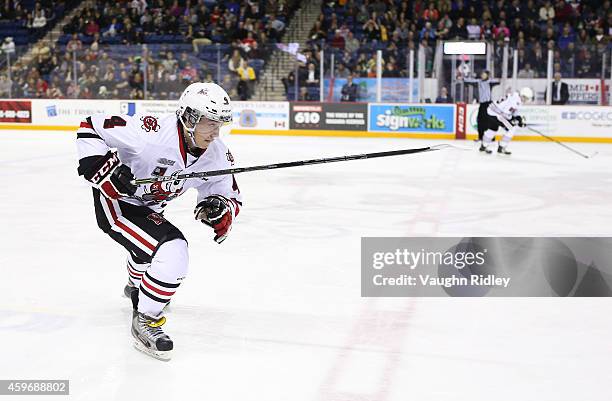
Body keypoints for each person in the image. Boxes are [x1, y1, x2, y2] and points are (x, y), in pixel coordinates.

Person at [75, 82, 242, 361]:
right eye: (209, 123)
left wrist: (219, 207)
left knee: (147, 249)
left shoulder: (217, 156)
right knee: (172, 250)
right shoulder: (150, 132)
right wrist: (104, 167)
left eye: (220, 125)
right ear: (189, 117)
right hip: (117, 202)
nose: (215, 132)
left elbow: (230, 197)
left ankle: (134, 286)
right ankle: (146, 319)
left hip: (150, 207)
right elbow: (90, 126)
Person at [478, 87, 532, 155]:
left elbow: (513, 114)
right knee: (511, 128)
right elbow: (506, 114)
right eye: (526, 98)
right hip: (497, 113)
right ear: (523, 96)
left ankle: (483, 146)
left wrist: (518, 120)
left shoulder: (515, 97)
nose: (526, 100)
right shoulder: (515, 101)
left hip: (491, 111)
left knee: (493, 129)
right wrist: (515, 121)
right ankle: (501, 147)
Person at [463, 70, 500, 141]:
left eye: (484, 74)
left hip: (488, 104)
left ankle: (491, 137)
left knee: (490, 121)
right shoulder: (478, 82)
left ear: (487, 75)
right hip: (482, 104)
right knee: (480, 120)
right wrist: (463, 78)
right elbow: (469, 81)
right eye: (482, 74)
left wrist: (492, 78)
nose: (482, 75)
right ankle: (480, 137)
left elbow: (498, 81)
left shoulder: (490, 82)